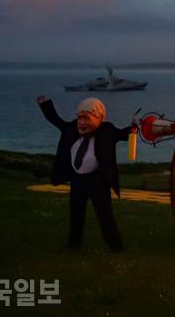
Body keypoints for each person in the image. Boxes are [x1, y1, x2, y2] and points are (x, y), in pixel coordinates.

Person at [37, 95, 136, 252]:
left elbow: (122, 134)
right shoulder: (71, 129)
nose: (81, 123)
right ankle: (73, 243)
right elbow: (56, 120)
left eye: (86, 118)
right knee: (76, 213)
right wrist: (45, 105)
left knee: (104, 214)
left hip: (97, 181)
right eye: (79, 118)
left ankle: (116, 246)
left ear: (99, 119)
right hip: (77, 180)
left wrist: (133, 130)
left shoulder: (107, 131)